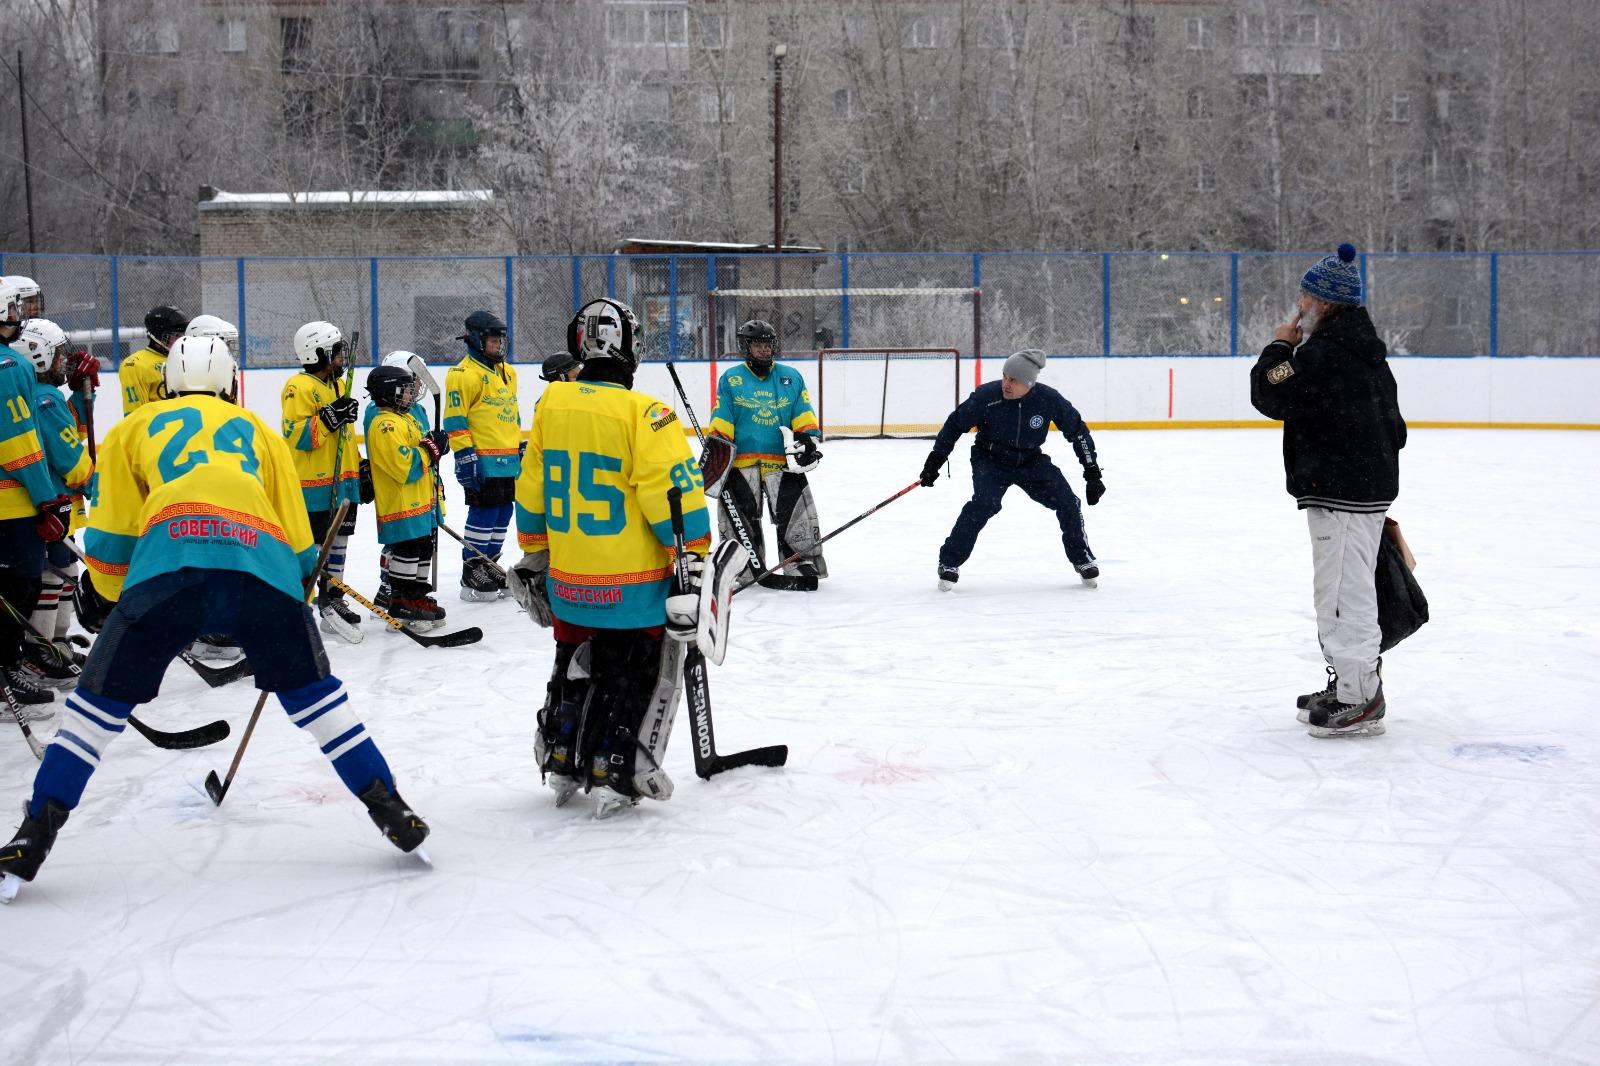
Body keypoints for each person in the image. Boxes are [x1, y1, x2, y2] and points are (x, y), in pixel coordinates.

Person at [0, 335, 429, 892]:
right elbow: (300, 540)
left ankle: (35, 835)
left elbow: (110, 539)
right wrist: (296, 591)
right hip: (261, 574)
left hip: (168, 573)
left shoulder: (132, 428)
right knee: (320, 703)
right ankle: (393, 810)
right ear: (230, 381)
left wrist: (110, 595)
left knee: (92, 714)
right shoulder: (257, 432)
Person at [506, 297, 721, 815]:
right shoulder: (647, 414)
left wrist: (536, 553)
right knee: (634, 673)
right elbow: (672, 495)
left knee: (571, 666)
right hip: (634, 587)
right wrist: (694, 554)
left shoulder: (551, 405)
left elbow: (531, 489)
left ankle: (560, 757)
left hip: (570, 582)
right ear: (631, 348)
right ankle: (614, 769)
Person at [1250, 243, 1406, 739]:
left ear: (1322, 303)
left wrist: (1279, 347)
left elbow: (1268, 390)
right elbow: (1396, 428)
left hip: (1344, 491)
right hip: (1358, 488)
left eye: (1304, 297)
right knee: (1342, 590)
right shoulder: (1367, 353)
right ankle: (1349, 686)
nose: (1299, 305)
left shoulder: (1323, 354)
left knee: (1343, 595)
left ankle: (1360, 698)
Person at [919, 348, 1104, 590]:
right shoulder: (987, 396)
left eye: (1013, 380)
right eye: (1005, 376)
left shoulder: (1048, 400)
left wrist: (1092, 472)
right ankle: (949, 562)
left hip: (1030, 461)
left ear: (1028, 383)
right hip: (990, 460)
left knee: (1068, 502)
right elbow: (955, 424)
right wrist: (936, 459)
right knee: (985, 504)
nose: (1006, 383)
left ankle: (1082, 559)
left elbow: (1078, 432)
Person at [706, 318, 826, 587]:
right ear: (746, 347)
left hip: (782, 462)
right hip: (741, 463)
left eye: (767, 344)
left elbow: (802, 411)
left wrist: (806, 437)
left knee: (796, 516)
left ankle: (800, 562)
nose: (764, 350)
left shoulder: (790, 377)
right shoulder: (732, 379)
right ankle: (742, 568)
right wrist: (717, 445)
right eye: (758, 345)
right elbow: (723, 414)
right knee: (741, 519)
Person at [0, 280, 72, 715]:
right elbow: (20, 440)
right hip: (11, 504)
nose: (18, 316)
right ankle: (6, 673)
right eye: (12, 309)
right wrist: (46, 497)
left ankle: (9, 665)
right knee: (17, 586)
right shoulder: (8, 366)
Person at [12, 319, 95, 691]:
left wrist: (78, 398)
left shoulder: (43, 397)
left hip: (53, 502)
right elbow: (70, 456)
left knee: (64, 573)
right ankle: (40, 650)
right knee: (55, 575)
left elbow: (68, 432)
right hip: (53, 501)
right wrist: (97, 482)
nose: (64, 362)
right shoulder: (44, 400)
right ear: (39, 356)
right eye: (59, 354)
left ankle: (55, 644)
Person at [280, 320, 363, 643]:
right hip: (313, 485)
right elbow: (296, 434)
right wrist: (330, 416)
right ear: (318, 353)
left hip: (339, 480)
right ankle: (304, 604)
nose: (342, 358)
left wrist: (359, 469)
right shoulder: (297, 386)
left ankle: (334, 598)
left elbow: (341, 437)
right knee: (313, 547)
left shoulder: (336, 386)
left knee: (339, 541)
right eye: (336, 352)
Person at [364, 364, 450, 630]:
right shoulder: (384, 425)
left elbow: (424, 447)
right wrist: (429, 450)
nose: (409, 396)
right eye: (404, 391)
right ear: (388, 392)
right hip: (400, 505)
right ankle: (401, 603)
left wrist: (436, 444)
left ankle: (417, 598)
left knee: (423, 547)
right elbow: (404, 466)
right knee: (407, 551)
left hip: (420, 502)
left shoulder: (405, 418)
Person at [443, 311, 521, 602]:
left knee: (504, 512)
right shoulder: (462, 375)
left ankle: (489, 563)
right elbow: (454, 419)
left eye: (501, 341)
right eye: (492, 341)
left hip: (507, 459)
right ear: (476, 340)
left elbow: (511, 412)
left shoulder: (508, 372)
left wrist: (519, 445)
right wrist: (464, 455)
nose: (499, 346)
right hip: (482, 459)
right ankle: (471, 567)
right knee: (484, 512)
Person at [118, 305, 189, 415]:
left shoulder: (185, 359)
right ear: (159, 336)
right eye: (175, 336)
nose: (180, 341)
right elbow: (134, 418)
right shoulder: (135, 364)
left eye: (182, 336)